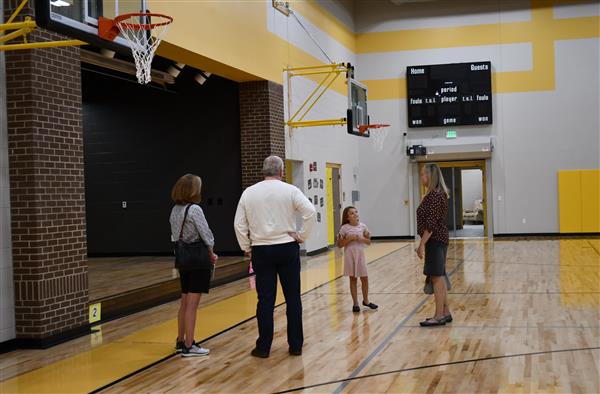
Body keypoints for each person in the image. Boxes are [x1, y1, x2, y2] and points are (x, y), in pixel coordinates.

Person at [234, 156, 316, 358]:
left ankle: (263, 347)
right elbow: (310, 212)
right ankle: (295, 345)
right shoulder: (290, 190)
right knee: (293, 298)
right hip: (287, 248)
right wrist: (302, 236)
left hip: (261, 250)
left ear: (263, 171)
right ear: (281, 171)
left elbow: (239, 224)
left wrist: (246, 246)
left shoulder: (249, 193)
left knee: (265, 300)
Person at [170, 174, 218, 357]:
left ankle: (180, 340)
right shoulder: (195, 209)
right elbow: (206, 234)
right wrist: (211, 252)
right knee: (192, 304)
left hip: (183, 259)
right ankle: (190, 345)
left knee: (184, 301)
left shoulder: (175, 209)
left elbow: (174, 236)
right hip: (198, 259)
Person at [416, 163, 452, 327]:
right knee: (439, 276)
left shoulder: (435, 196)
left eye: (423, 174)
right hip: (438, 239)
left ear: (430, 176)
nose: (421, 177)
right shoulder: (435, 194)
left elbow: (430, 225)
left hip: (435, 240)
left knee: (436, 277)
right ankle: (445, 312)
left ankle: (438, 316)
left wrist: (421, 244)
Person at [337, 206, 378, 312]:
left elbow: (369, 242)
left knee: (364, 277)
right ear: (347, 218)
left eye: (356, 212)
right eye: (352, 213)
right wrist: (348, 239)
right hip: (349, 255)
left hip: (360, 255)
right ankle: (355, 303)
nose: (355, 214)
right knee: (353, 278)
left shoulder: (363, 226)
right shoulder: (344, 228)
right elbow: (339, 245)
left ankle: (366, 300)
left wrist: (362, 239)